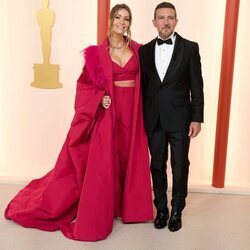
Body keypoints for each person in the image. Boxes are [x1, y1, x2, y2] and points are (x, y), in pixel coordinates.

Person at [5, 4, 153, 241]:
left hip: (133, 112)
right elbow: (84, 86)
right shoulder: (97, 53)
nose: (122, 22)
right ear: (111, 20)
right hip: (109, 112)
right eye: (118, 17)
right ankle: (107, 207)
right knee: (108, 159)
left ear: (130, 23)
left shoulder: (139, 51)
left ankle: (126, 208)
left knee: (129, 156)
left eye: (126, 19)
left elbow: (150, 81)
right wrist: (99, 98)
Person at [139, 2, 204, 232]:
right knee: (156, 165)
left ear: (176, 21)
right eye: (161, 17)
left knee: (179, 165)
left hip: (181, 119)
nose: (166, 22)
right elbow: (143, 87)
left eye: (170, 17)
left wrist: (196, 118)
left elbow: (197, 86)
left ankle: (177, 210)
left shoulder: (190, 48)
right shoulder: (144, 51)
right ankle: (162, 210)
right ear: (154, 22)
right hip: (154, 118)